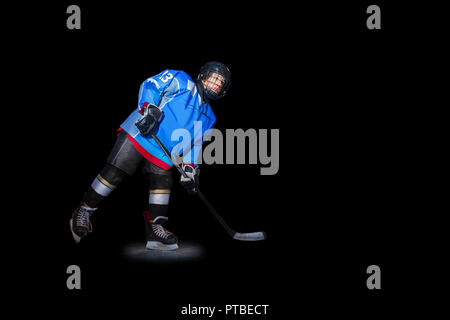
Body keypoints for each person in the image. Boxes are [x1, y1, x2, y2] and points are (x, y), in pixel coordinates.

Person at [69, 62, 231, 250]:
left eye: (221, 83)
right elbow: (151, 85)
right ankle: (84, 209)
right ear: (202, 76)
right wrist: (149, 109)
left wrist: (190, 169)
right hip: (143, 132)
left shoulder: (209, 116)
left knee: (163, 182)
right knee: (116, 172)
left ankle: (155, 229)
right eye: (215, 78)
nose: (217, 84)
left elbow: (194, 143)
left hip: (164, 150)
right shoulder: (181, 80)